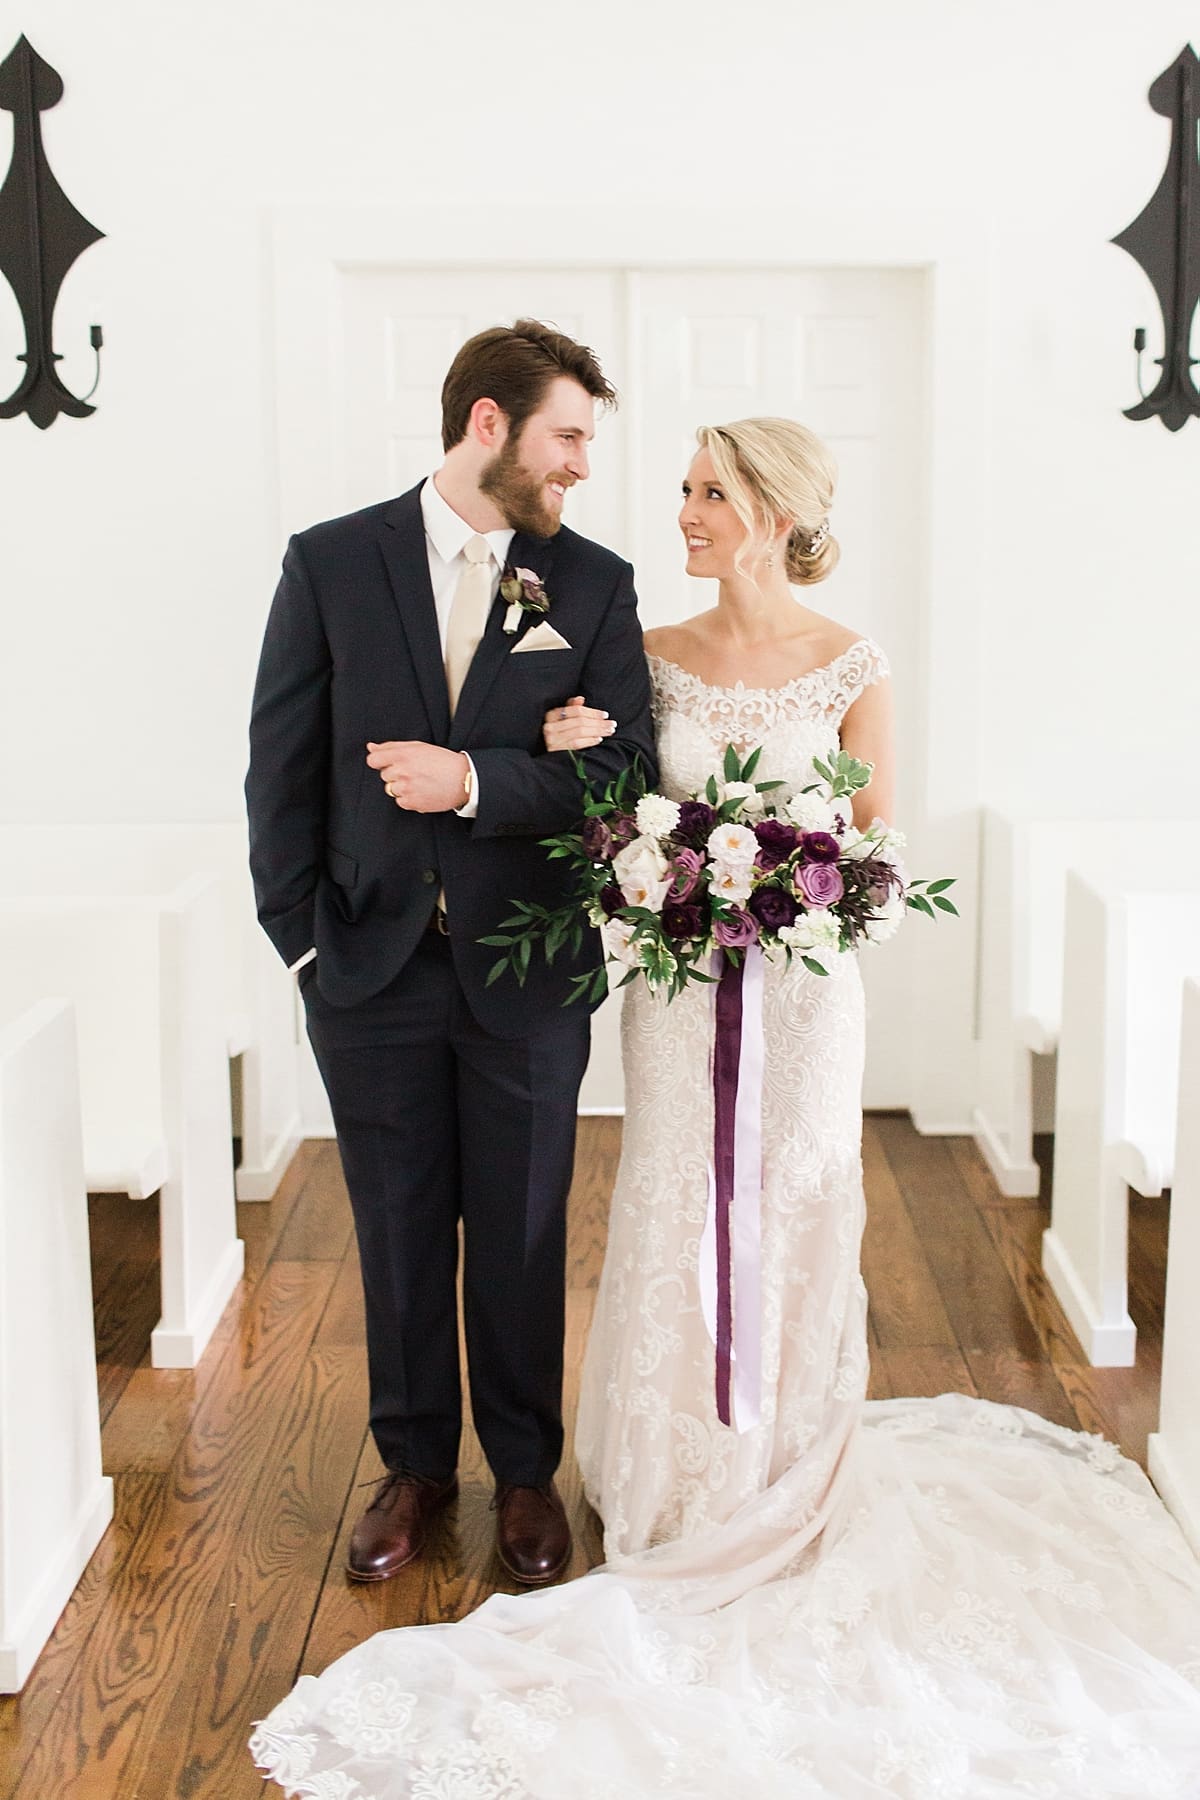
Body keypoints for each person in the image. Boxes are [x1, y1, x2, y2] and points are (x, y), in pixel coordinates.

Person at [252, 418, 1200, 1797]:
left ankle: (783, 1471)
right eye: (685, 488)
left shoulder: (856, 664)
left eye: (708, 490)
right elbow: (607, 797)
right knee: (673, 1199)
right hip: (681, 992)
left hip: (805, 1000)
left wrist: (785, 889)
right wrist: (617, 801)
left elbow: (874, 850)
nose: (683, 509)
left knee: (803, 1196)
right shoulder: (646, 649)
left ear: (773, 508)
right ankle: (664, 1476)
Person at [245, 319, 657, 1592]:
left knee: (528, 1228)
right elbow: (281, 766)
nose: (583, 463)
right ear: (490, 424)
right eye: (568, 436)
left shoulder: (591, 582)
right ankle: (415, 1466)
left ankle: (526, 1475)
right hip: (366, 970)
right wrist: (303, 945)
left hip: (529, 973)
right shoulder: (329, 561)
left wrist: (479, 780)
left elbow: (625, 777)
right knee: (399, 1225)